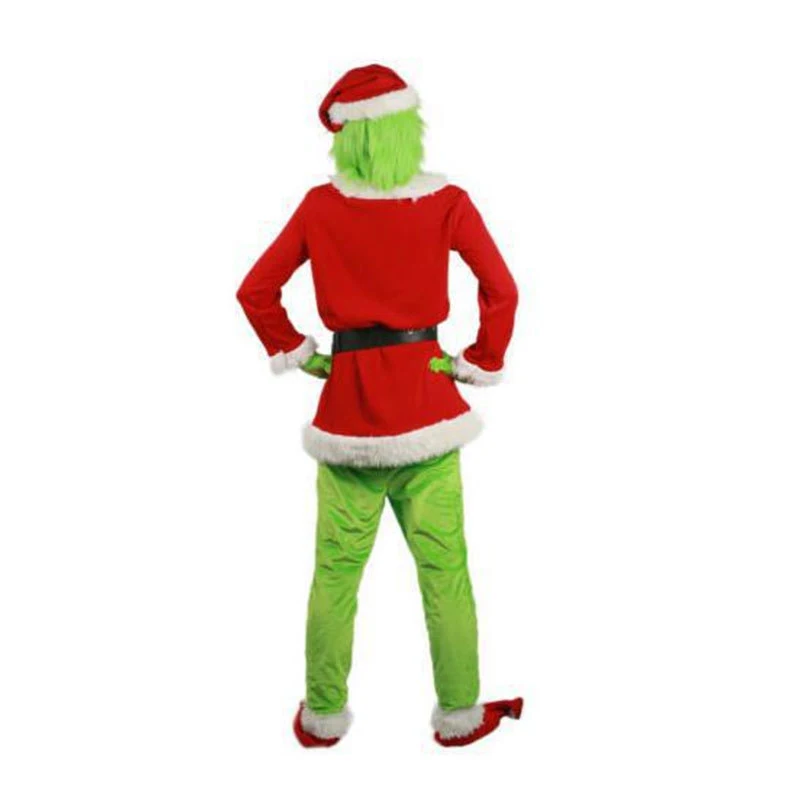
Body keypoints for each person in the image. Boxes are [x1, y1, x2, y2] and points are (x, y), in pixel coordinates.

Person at [237, 64, 521, 747]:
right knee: (445, 574)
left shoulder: (320, 207)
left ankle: (322, 717)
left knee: (335, 576)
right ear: (406, 130)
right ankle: (460, 713)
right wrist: (478, 360)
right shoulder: (447, 202)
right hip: (428, 409)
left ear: (347, 138)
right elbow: (503, 289)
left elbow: (255, 291)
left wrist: (301, 353)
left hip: (347, 418)